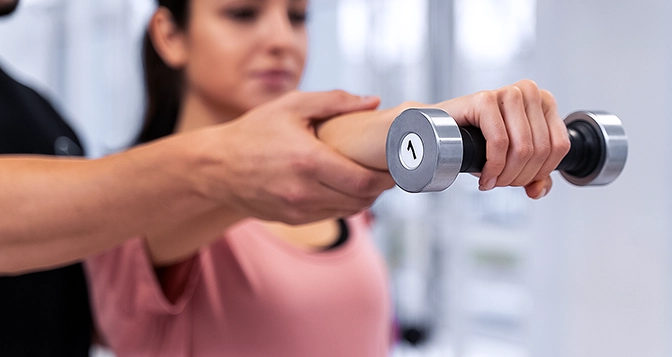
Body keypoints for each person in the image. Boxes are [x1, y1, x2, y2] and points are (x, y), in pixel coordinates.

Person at [85, 0, 569, 356]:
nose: (281, 40)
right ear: (170, 34)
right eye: (242, 13)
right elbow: (223, 183)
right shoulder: (133, 207)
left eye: (297, 17)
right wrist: (420, 122)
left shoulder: (336, 198)